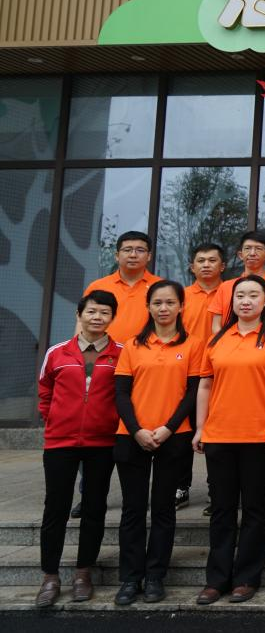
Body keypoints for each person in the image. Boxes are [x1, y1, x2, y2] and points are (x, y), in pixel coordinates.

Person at [192, 275, 265, 605]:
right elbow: (204, 386)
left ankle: (247, 577)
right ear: (232, 302)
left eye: (253, 295)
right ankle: (216, 579)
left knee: (254, 508)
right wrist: (200, 427)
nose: (246, 301)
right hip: (219, 434)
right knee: (222, 509)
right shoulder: (217, 339)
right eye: (240, 296)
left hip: (259, 435)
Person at [113, 280, 203, 605]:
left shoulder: (193, 345)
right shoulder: (132, 346)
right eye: (157, 303)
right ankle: (130, 578)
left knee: (164, 509)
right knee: (133, 509)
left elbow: (193, 393)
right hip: (131, 437)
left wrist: (168, 428)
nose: (163, 308)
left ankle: (155, 576)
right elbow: (121, 393)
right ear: (148, 307)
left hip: (173, 437)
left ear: (181, 306)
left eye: (169, 303)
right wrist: (137, 429)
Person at [36, 291, 121, 608]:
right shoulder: (57, 352)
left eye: (105, 312)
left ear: (112, 318)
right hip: (60, 442)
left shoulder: (121, 354)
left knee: (94, 507)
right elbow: (45, 391)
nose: (98, 317)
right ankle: (50, 576)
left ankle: (83, 573)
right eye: (92, 311)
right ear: (79, 314)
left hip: (103, 442)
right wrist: (53, 420)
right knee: (55, 508)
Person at [176, 242, 226, 512]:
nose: (206, 265)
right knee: (184, 430)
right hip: (186, 371)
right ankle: (181, 487)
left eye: (212, 260)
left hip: (222, 372)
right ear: (191, 266)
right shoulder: (181, 297)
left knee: (217, 434)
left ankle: (216, 490)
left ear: (223, 266)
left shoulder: (232, 293)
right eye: (201, 260)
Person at [84, 231, 160, 343]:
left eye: (140, 250)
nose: (133, 255)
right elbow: (83, 322)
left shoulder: (160, 287)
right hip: (103, 350)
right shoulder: (98, 286)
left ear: (149, 256)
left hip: (148, 351)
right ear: (117, 256)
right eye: (127, 250)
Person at [209, 231, 265, 335]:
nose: (252, 253)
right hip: (228, 342)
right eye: (247, 248)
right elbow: (216, 325)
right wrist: (229, 342)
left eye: (258, 248)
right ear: (240, 255)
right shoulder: (225, 287)